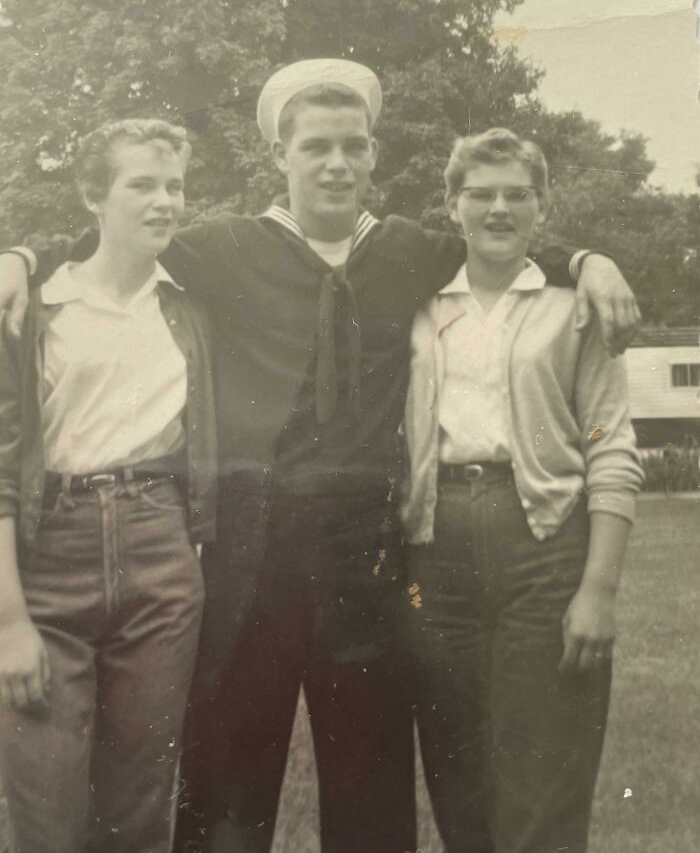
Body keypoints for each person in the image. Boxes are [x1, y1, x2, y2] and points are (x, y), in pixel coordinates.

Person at [0, 61, 640, 853]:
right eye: (315, 147)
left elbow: (506, 236)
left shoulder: (410, 249)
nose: (337, 163)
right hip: (248, 557)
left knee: (368, 787)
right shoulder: (223, 248)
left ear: (373, 156)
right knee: (227, 784)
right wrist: (22, 257)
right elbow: (114, 234)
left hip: (365, 562)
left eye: (354, 146)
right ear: (280, 154)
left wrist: (590, 261)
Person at [401, 128, 644, 853]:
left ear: (544, 207)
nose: (499, 209)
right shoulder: (417, 304)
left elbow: (612, 449)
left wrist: (598, 590)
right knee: (458, 773)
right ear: (453, 205)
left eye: (518, 195)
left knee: (545, 776)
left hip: (544, 544)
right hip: (433, 553)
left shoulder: (573, 305)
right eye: (481, 194)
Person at [0, 119, 217, 853]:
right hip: (48, 561)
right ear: (95, 194)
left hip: (161, 557)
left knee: (138, 809)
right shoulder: (34, 309)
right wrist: (8, 623)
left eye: (175, 185)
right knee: (47, 810)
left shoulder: (191, 302)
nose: (165, 201)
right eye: (142, 185)